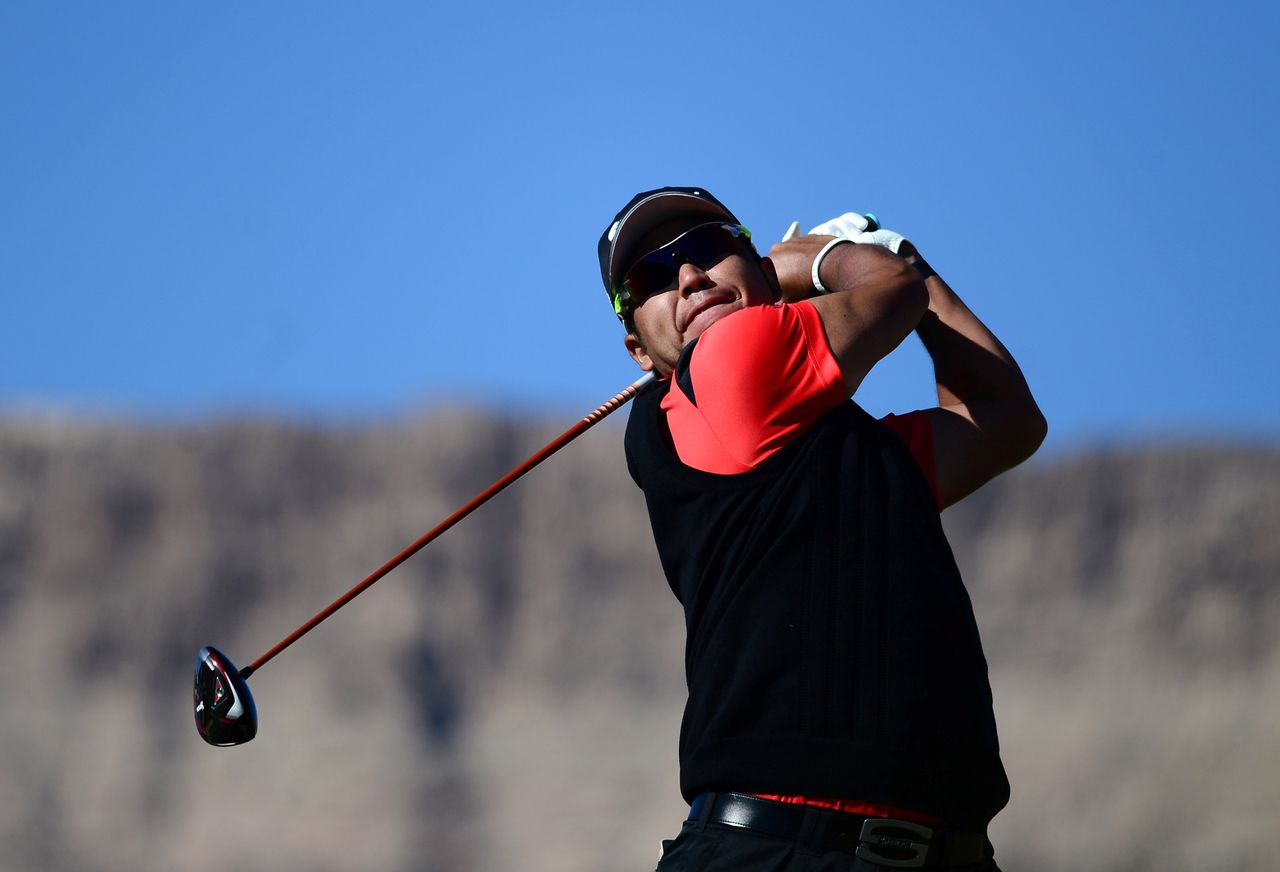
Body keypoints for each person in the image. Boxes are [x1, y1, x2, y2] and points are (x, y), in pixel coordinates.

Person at [598, 187, 1047, 871]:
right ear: (640, 351)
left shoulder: (857, 453)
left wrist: (900, 262)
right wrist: (837, 258)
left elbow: (1004, 417)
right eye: (650, 279)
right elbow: (892, 292)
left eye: (708, 247)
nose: (688, 275)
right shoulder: (726, 360)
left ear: (757, 267)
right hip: (776, 850)